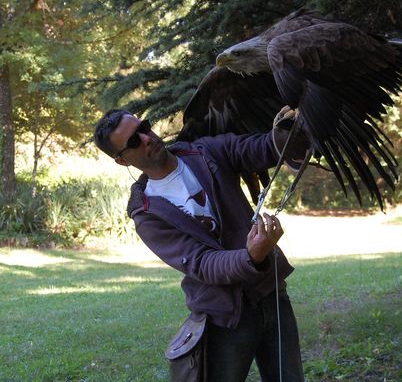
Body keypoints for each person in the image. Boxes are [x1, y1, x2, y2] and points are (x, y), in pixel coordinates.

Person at [93, 108, 307, 381]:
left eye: (144, 128)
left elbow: (260, 148)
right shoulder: (147, 214)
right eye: (134, 141)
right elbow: (202, 263)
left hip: (271, 296)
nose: (147, 138)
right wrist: (251, 257)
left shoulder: (206, 153)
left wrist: (285, 132)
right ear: (122, 160)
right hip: (222, 316)